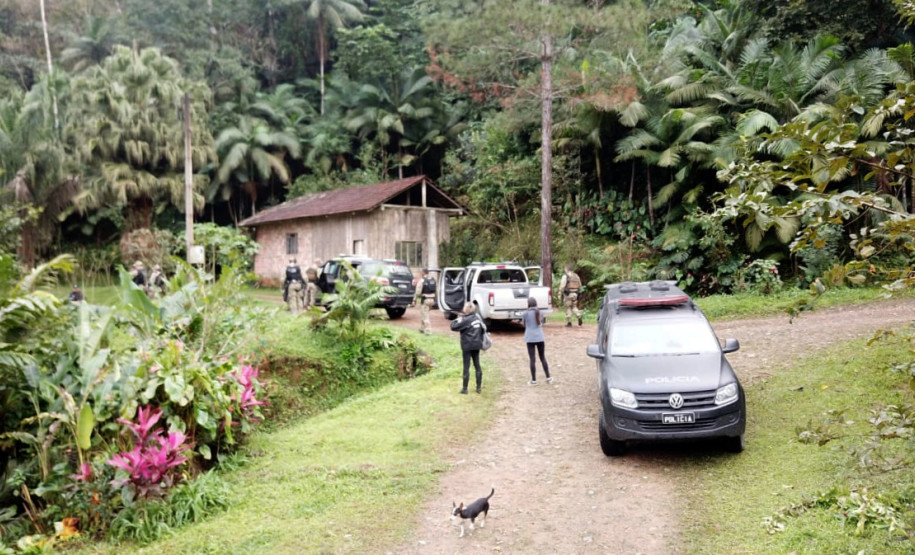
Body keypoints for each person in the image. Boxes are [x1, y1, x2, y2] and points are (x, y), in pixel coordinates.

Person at [450, 301, 485, 394]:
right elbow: (482, 330)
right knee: (477, 365)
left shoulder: (465, 320)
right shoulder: (478, 318)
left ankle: (465, 389)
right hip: (477, 344)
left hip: (467, 345)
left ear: (466, 309)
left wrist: (457, 319)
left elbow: (453, 327)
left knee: (466, 366)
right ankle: (478, 388)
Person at [521, 297, 551, 385]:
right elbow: (541, 322)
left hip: (530, 338)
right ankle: (548, 377)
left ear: (528, 304)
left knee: (532, 359)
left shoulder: (525, 313)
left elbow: (524, 324)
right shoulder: (540, 312)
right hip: (540, 337)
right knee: (542, 357)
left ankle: (534, 380)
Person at [416, 268, 437, 335]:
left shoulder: (422, 280)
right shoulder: (433, 280)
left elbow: (418, 292)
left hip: (425, 300)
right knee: (424, 313)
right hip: (432, 300)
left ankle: (428, 331)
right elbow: (436, 291)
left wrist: (416, 298)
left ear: (423, 273)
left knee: (425, 316)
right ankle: (422, 328)